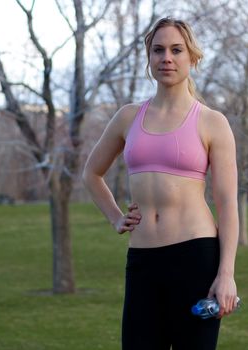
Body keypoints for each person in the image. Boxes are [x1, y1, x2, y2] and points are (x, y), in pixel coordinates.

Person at [83, 17, 239, 350]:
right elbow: (91, 173)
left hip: (195, 258)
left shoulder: (213, 122)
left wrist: (226, 274)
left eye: (176, 50)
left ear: (192, 58)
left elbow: (226, 204)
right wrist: (115, 217)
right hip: (142, 262)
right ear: (149, 58)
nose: (166, 57)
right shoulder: (128, 117)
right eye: (158, 50)